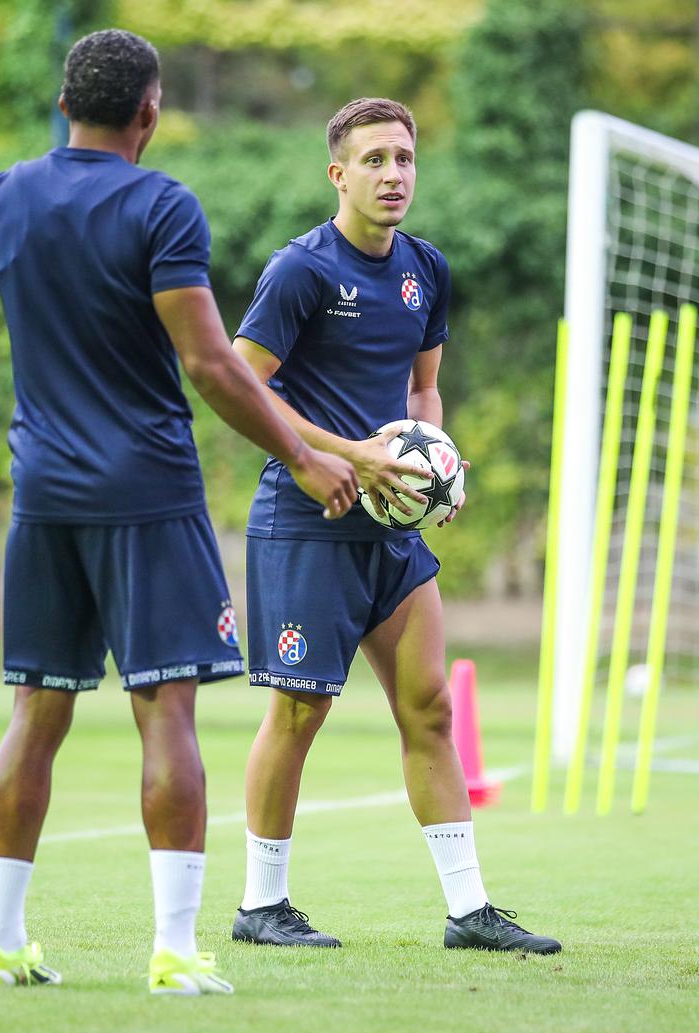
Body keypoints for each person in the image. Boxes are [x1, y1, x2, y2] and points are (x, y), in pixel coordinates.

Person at [0, 29, 357, 994]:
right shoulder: (161, 204)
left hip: (44, 501)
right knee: (166, 716)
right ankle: (172, 950)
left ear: (66, 102)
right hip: (148, 497)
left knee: (36, 713)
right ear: (148, 112)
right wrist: (303, 456)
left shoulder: (2, 195)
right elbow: (207, 363)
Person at [228, 97, 560, 954]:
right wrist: (347, 456)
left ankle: (468, 911)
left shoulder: (426, 268)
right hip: (306, 524)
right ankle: (261, 907)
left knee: (429, 710)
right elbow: (240, 385)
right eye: (373, 160)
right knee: (299, 714)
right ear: (338, 174)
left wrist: (432, 467)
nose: (393, 175)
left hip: (392, 533)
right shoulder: (299, 270)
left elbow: (420, 392)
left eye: (404, 158)